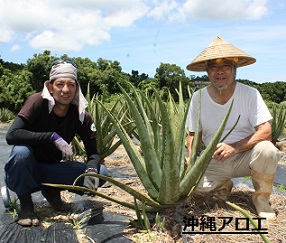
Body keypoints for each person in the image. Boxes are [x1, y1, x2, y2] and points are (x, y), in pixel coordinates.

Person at [185, 37, 281, 220]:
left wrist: (235, 147)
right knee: (191, 187)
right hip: (215, 159)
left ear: (234, 70)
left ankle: (262, 199)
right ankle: (222, 186)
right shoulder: (198, 98)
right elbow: (193, 134)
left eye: (226, 66)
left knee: (268, 149)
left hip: (246, 158)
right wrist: (190, 159)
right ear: (207, 71)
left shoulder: (250, 93)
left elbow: (266, 131)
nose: (220, 72)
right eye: (213, 67)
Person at [4, 59, 108, 226]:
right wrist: (52, 137)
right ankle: (26, 204)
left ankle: (51, 191)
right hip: (25, 168)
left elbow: (93, 154)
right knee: (21, 152)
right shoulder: (37, 102)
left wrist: (91, 170)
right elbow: (12, 135)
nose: (65, 90)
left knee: (101, 171)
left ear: (76, 88)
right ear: (51, 87)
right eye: (60, 84)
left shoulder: (81, 116)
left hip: (52, 170)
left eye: (71, 84)